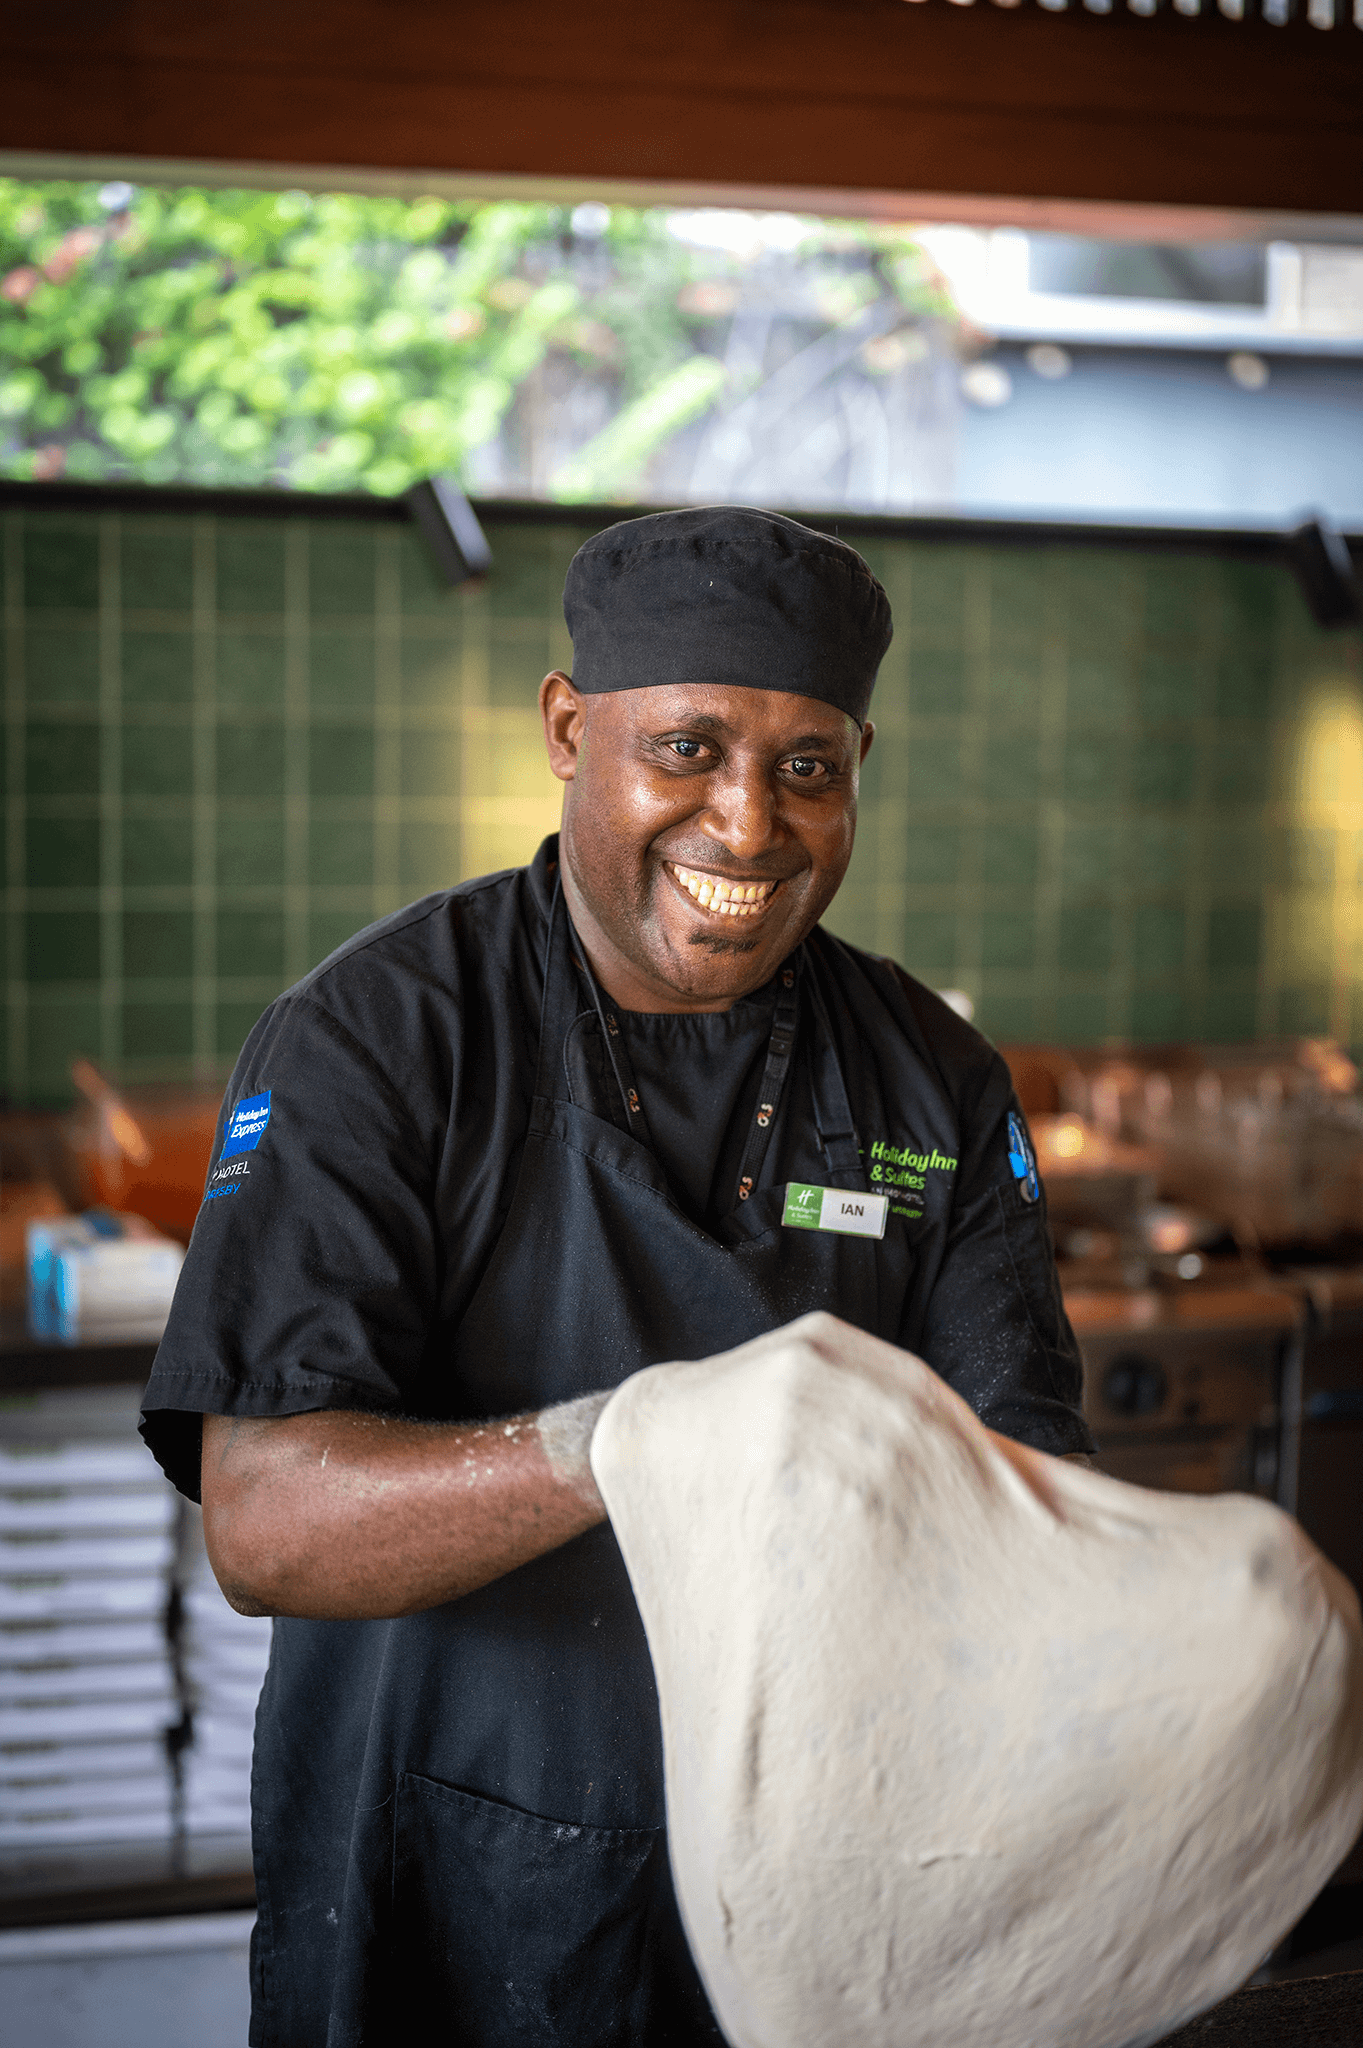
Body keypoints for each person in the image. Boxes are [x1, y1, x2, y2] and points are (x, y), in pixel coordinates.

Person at [140, 506, 1093, 2048]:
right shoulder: (381, 1042)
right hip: (439, 1883)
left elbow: (1027, 1495)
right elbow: (268, 1523)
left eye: (808, 768)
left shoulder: (935, 1081)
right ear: (570, 729)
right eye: (687, 750)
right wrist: (635, 1443)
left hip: (807, 1899)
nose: (746, 824)